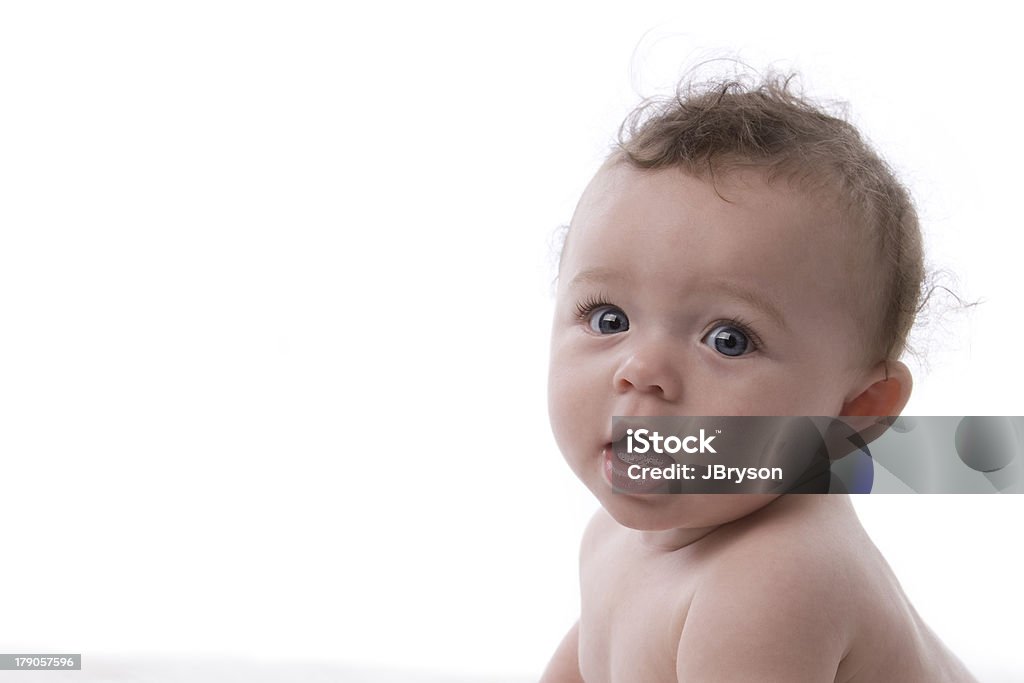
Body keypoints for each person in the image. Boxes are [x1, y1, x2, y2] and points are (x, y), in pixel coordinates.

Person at [541, 72, 978, 682]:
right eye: (608, 318)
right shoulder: (613, 541)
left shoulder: (772, 581)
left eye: (729, 339)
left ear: (855, 411)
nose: (642, 371)